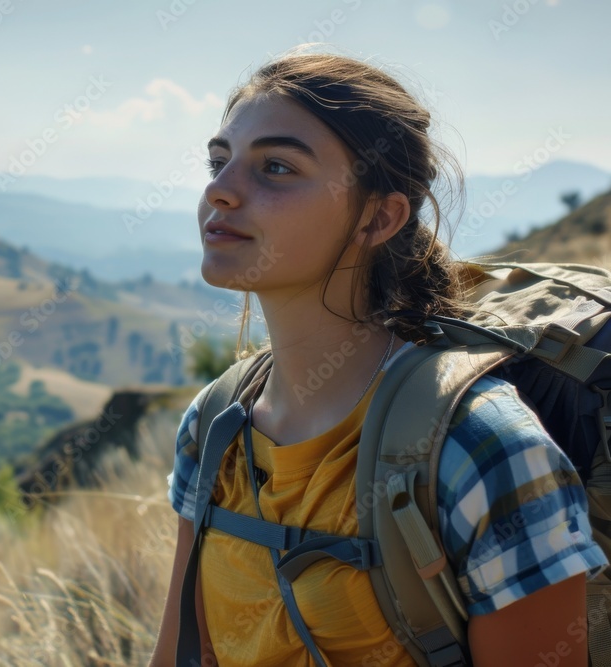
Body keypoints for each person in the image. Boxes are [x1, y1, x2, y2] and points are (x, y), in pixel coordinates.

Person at [147, 49, 609, 666]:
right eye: (219, 160)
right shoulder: (214, 428)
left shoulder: (483, 450)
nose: (220, 190)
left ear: (378, 217)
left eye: (277, 167)